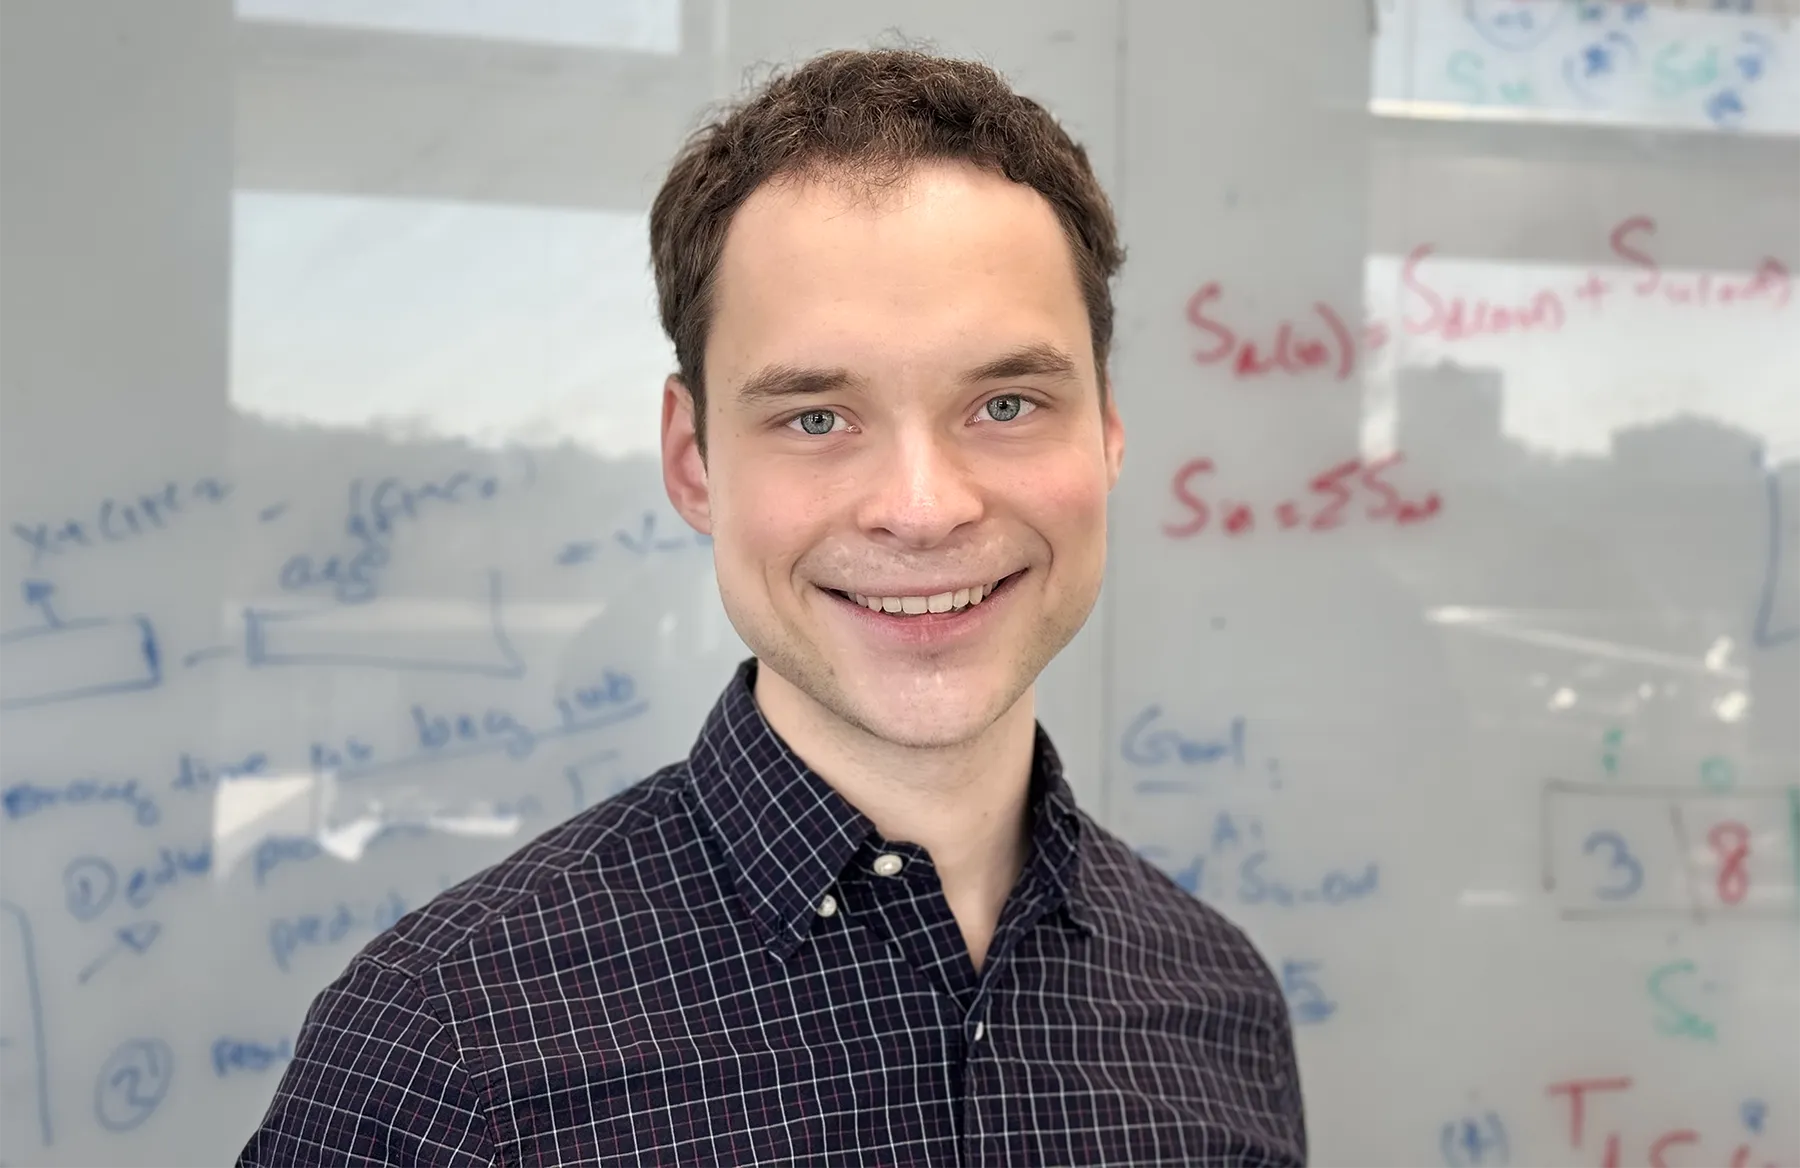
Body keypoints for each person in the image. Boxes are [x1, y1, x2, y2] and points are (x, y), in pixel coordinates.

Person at [238, 47, 1306, 1166]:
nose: (924, 507)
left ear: (1109, 434)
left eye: (1005, 401)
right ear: (693, 462)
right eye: (815, 417)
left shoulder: (1218, 999)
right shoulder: (445, 1047)